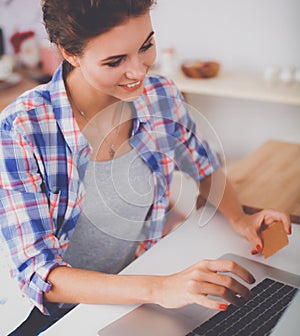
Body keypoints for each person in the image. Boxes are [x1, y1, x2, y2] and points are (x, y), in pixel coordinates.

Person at [0, 0, 291, 335]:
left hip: (137, 281)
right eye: (115, 61)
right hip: (54, 312)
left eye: (146, 46)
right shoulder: (21, 128)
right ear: (70, 53)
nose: (139, 71)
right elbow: (40, 273)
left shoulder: (160, 95)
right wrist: (162, 288)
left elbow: (204, 165)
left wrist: (241, 218)